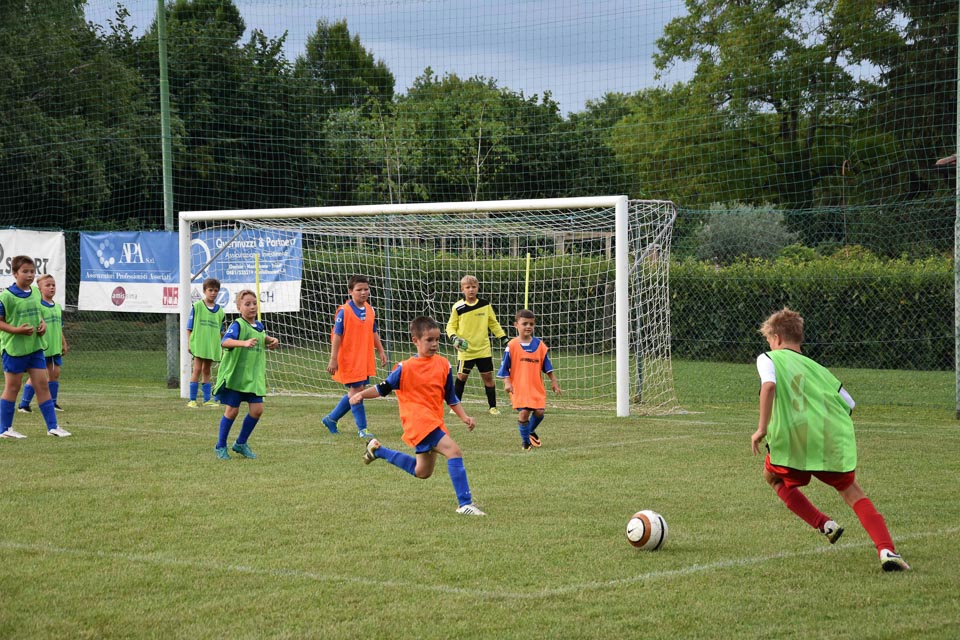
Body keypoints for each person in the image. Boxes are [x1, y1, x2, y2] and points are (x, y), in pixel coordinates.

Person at [751, 307, 909, 572]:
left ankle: (824, 524)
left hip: (792, 444)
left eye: (768, 340)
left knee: (773, 478)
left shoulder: (768, 358)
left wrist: (761, 429)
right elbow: (849, 404)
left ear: (776, 338)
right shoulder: (820, 370)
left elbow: (768, 386)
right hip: (826, 442)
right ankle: (886, 550)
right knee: (852, 493)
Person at [350, 316, 486, 516]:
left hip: (434, 421)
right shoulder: (405, 368)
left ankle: (378, 451)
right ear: (415, 340)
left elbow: (451, 397)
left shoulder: (444, 365)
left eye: (437, 339)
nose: (434, 344)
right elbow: (382, 388)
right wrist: (361, 394)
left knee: (422, 472)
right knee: (454, 452)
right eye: (429, 340)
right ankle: (465, 503)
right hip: (419, 422)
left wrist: (464, 417)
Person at [0, 256, 70, 438]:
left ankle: (53, 427)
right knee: (13, 387)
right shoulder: (6, 296)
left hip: (36, 347)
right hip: (14, 349)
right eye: (25, 271)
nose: (30, 275)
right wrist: (17, 330)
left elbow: (38, 315)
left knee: (42, 385)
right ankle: (5, 429)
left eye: (32, 271)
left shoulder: (36, 293)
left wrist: (42, 324)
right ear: (15, 273)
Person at [212, 289, 279, 460]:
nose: (252, 307)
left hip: (253, 377)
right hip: (236, 377)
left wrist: (271, 340)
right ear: (238, 307)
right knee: (232, 411)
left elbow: (260, 336)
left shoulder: (259, 326)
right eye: (247, 304)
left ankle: (241, 443)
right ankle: (220, 446)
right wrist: (243, 343)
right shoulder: (237, 325)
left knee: (257, 410)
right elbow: (225, 342)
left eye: (254, 303)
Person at [322, 274, 387, 438]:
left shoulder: (370, 309)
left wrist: (381, 350)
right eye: (359, 290)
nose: (363, 292)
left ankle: (331, 419)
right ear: (350, 291)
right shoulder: (344, 311)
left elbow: (373, 332)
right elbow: (336, 336)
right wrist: (333, 359)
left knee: (357, 391)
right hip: (349, 359)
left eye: (366, 289)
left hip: (363, 358)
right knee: (357, 391)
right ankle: (362, 429)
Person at [497, 309, 561, 450]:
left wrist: (554, 381)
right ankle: (526, 443)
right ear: (516, 325)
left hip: (536, 386)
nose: (528, 326)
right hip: (519, 387)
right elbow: (505, 367)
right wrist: (507, 382)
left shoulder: (540, 346)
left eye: (531, 324)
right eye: (524, 323)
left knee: (540, 412)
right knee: (524, 412)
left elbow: (547, 366)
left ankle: (529, 431)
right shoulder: (511, 346)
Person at [446, 275, 508, 416]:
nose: (471, 290)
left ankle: (493, 407)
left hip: (483, 349)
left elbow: (493, 323)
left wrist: (503, 338)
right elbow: (450, 326)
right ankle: (455, 406)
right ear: (462, 289)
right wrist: (454, 338)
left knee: (488, 378)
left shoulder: (485, 305)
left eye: (473, 287)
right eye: (467, 287)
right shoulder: (458, 307)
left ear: (478, 288)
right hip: (465, 350)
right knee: (461, 377)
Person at [18, 274, 67, 413]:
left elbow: (59, 328)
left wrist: (63, 343)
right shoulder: (37, 306)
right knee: (38, 376)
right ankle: (24, 405)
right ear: (39, 289)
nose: (51, 287)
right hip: (42, 347)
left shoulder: (57, 306)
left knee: (55, 374)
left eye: (53, 285)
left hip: (55, 347)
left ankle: (53, 403)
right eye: (48, 285)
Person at [186, 278, 225, 408]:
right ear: (204, 291)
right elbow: (189, 327)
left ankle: (207, 400)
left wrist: (220, 345)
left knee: (207, 370)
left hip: (211, 346)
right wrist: (189, 343)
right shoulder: (197, 306)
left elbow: (220, 331)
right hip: (199, 343)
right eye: (210, 290)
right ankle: (192, 400)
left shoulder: (220, 311)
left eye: (216, 290)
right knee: (197, 369)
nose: (213, 293)